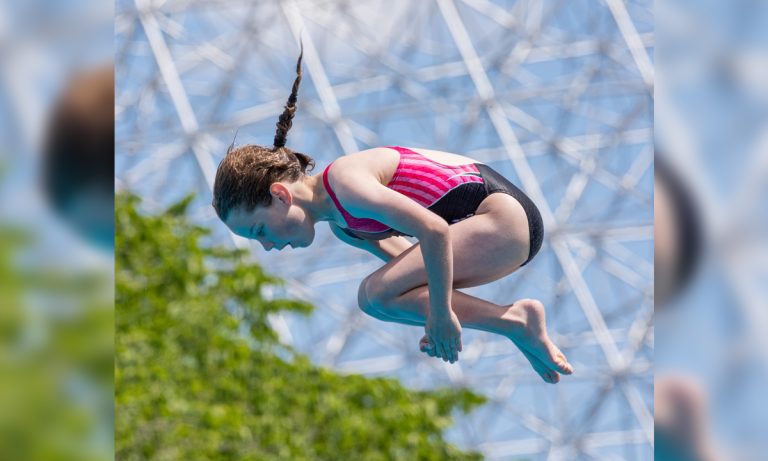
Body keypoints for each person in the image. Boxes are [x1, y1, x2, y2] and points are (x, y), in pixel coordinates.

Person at [212, 48, 573, 383]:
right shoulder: (344, 225)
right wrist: (433, 316)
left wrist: (442, 314)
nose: (268, 246)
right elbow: (414, 273)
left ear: (280, 195)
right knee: (381, 301)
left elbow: (434, 232)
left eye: (259, 230)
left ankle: (514, 322)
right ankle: (515, 322)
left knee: (373, 296)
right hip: (503, 232)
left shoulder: (345, 183)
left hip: (504, 219)